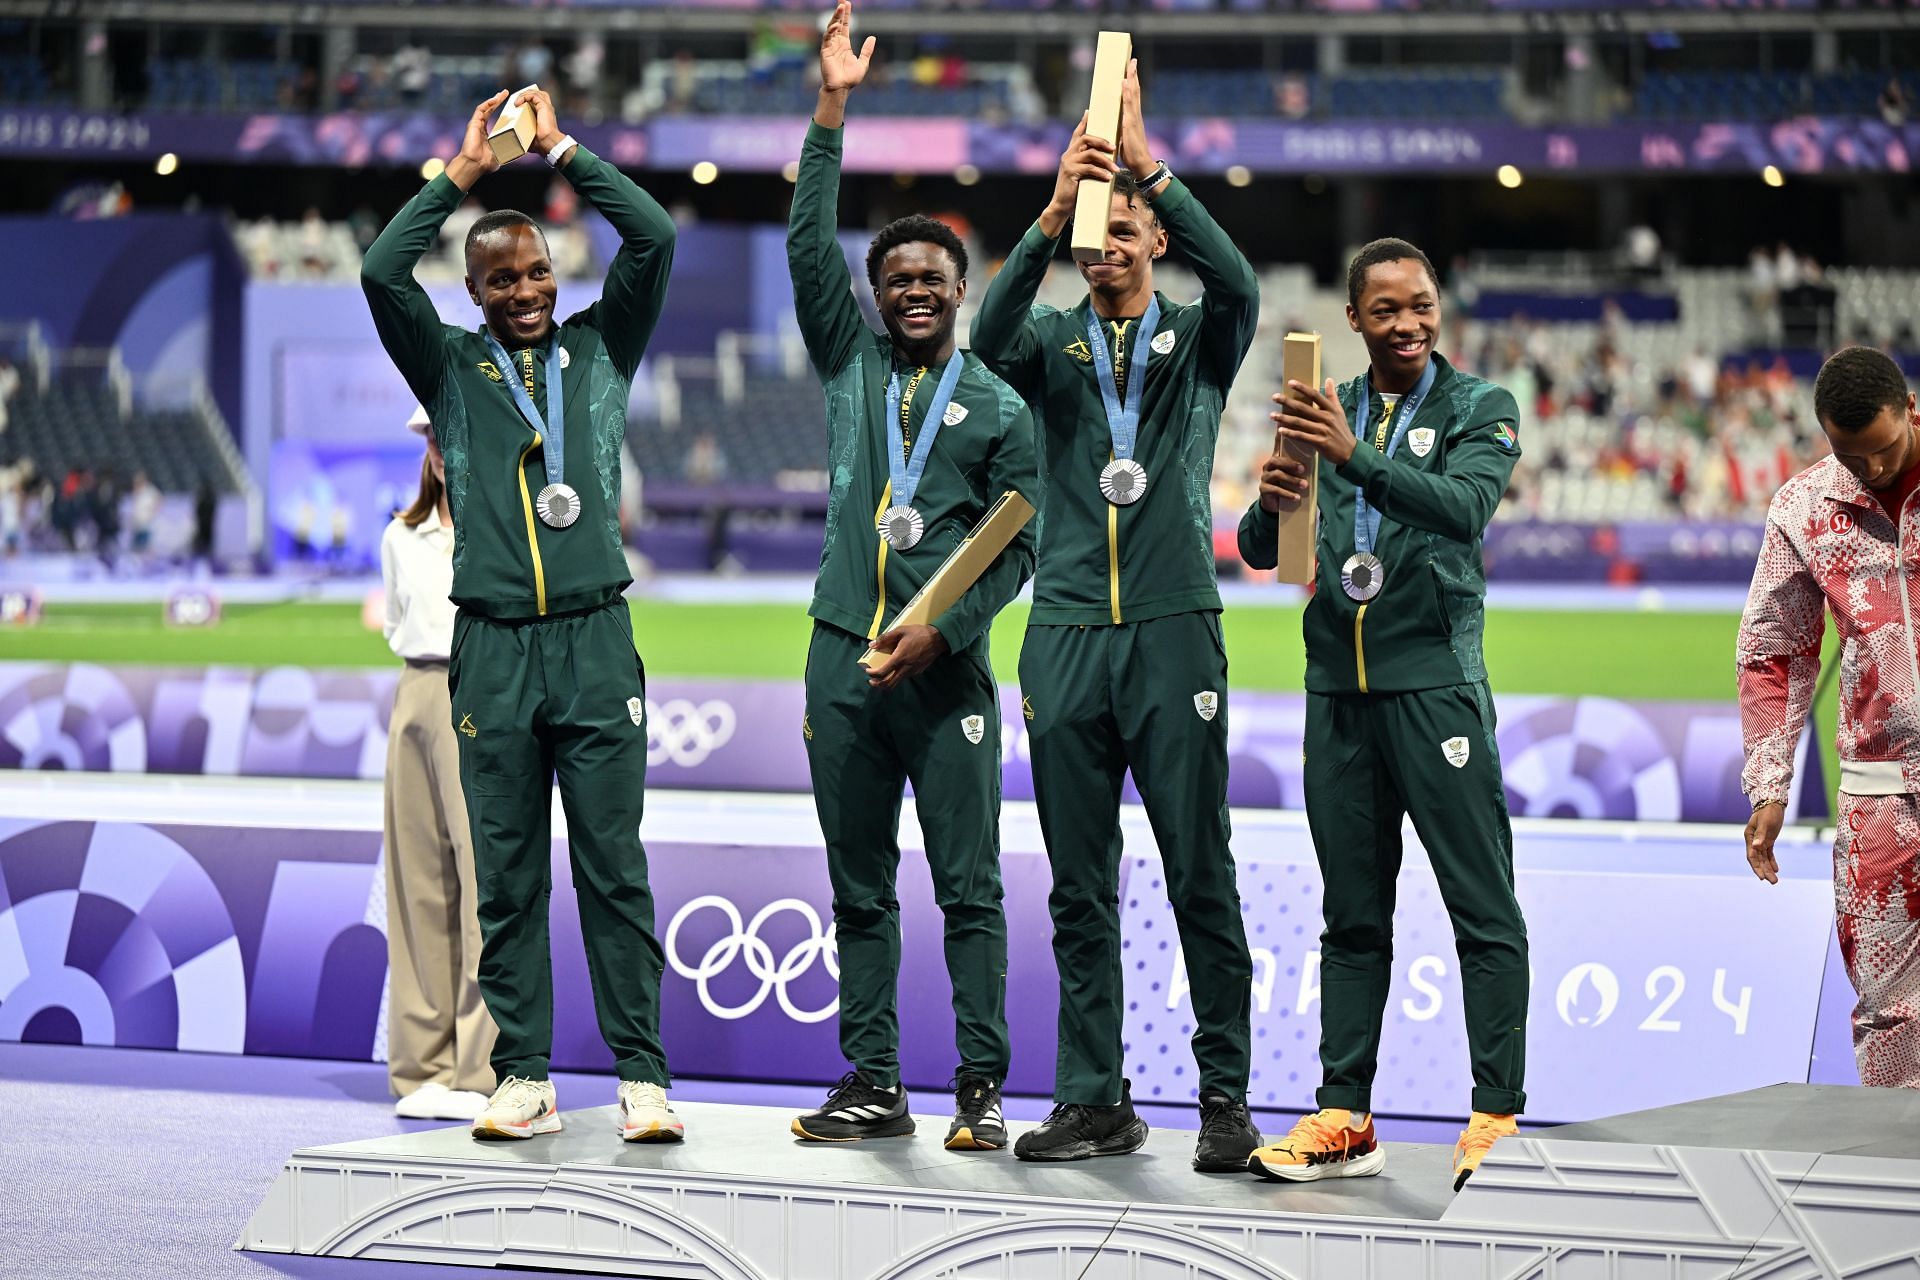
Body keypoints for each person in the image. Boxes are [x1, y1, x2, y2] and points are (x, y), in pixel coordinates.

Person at [361, 87, 681, 1145]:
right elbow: (377, 270)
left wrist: (561, 151)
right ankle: (524, 1076)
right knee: (507, 872)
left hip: (594, 639)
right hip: (490, 646)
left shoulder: (602, 349)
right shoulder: (448, 369)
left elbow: (655, 231)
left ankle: (643, 1076)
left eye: (539, 270)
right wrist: (462, 171)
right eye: (503, 278)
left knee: (614, 867)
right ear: (476, 290)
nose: (528, 290)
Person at [970, 62, 1262, 1170]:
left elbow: (1238, 283)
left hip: (1176, 623)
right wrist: (1051, 213)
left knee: (1200, 868)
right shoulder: (1050, 347)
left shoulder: (1197, 338)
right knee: (1079, 882)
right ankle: (1095, 1096)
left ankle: (1224, 1097)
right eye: (1099, 235)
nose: (1111, 248)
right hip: (1066, 629)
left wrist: (1149, 167)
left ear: (1154, 240)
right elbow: (987, 341)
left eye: (1128, 230)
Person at [784, 1, 1038, 1152]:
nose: (916, 289)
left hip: (946, 674)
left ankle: (980, 1085)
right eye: (898, 277)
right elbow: (804, 242)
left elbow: (1020, 541)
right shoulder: (848, 362)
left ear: (960, 288)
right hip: (842, 657)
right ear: (877, 295)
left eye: (935, 274)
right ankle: (872, 1077)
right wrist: (831, 108)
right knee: (860, 887)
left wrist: (952, 627)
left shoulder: (998, 406)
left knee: (971, 889)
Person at [1236, 238, 1528, 1192]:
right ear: (1354, 320)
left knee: (1480, 906)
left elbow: (1464, 510)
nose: (1408, 323)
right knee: (1350, 918)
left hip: (1433, 688)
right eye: (1387, 309)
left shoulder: (1480, 406)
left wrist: (1349, 457)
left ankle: (1495, 1116)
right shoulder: (1329, 408)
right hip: (1337, 697)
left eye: (1423, 303)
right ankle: (1344, 1116)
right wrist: (1271, 495)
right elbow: (1260, 547)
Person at [1740, 345, 1920, 1091]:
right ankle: (1895, 1175)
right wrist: (1770, 784)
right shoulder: (1806, 508)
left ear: (1911, 412)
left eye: (1884, 449)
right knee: (1888, 1008)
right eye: (1852, 457)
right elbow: (1773, 654)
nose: (1871, 470)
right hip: (1878, 793)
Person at [380, 406, 499, 1121]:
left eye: (450, 436)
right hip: (415, 694)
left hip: (482, 693)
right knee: (417, 881)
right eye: (431, 440)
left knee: (486, 883)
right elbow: (400, 621)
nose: (441, 452)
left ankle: (477, 1068)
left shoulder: (504, 530)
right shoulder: (401, 534)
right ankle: (418, 1066)